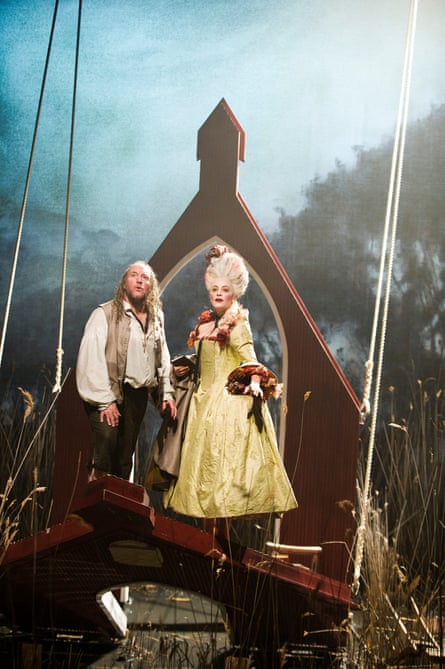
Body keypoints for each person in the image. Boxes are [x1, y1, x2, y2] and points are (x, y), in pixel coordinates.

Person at [164, 245, 297, 520]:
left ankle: (220, 543)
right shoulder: (203, 325)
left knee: (222, 467)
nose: (218, 294)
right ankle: (205, 538)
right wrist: (187, 365)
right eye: (214, 289)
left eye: (224, 289)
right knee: (198, 467)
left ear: (234, 292)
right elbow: (204, 359)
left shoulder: (237, 323)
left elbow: (250, 358)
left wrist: (257, 382)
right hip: (201, 402)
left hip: (224, 402)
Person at [76, 260, 177, 481]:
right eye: (134, 275)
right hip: (108, 389)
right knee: (106, 441)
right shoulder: (105, 313)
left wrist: (166, 393)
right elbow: (91, 358)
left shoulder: (156, 317)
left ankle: (115, 509)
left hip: (137, 394)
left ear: (151, 286)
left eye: (146, 276)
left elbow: (163, 357)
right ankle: (93, 503)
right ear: (124, 284)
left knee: (124, 457)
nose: (140, 279)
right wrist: (105, 400)